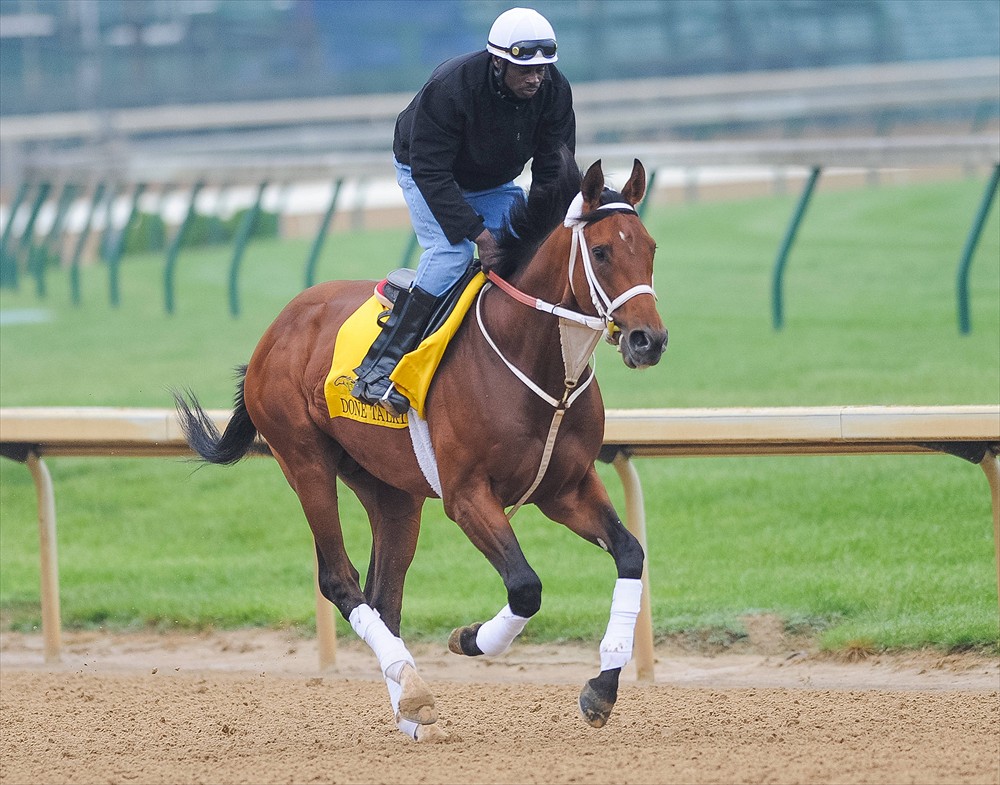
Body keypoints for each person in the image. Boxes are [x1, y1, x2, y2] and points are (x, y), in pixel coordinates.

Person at [352, 6, 576, 415]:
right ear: (498, 62)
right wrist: (479, 234)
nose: (536, 78)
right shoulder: (451, 87)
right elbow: (430, 170)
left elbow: (553, 171)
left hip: (492, 182)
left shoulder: (554, 92)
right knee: (451, 254)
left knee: (533, 253)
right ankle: (379, 370)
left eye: (543, 69)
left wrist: (549, 230)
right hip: (427, 171)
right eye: (525, 70)